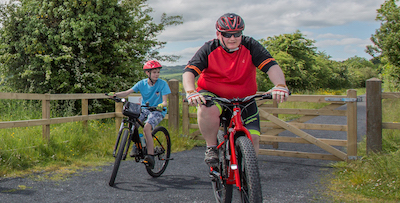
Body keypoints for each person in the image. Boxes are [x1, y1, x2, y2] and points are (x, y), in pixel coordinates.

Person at [182, 13, 289, 170]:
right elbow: (189, 71)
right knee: (206, 108)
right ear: (219, 34)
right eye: (227, 34)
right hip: (214, 94)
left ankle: (248, 175)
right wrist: (191, 91)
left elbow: (271, 66)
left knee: (253, 138)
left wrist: (280, 85)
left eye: (237, 34)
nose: (232, 38)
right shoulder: (209, 48)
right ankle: (212, 148)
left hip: (244, 97)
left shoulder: (251, 45)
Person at [112, 59, 171, 170]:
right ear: (147, 73)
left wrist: (160, 105)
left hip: (157, 110)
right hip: (144, 109)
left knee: (147, 128)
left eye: (158, 72)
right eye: (154, 72)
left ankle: (150, 155)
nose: (157, 74)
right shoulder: (142, 83)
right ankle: (137, 145)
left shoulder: (163, 84)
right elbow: (127, 92)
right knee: (132, 124)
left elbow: (165, 102)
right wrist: (115, 95)